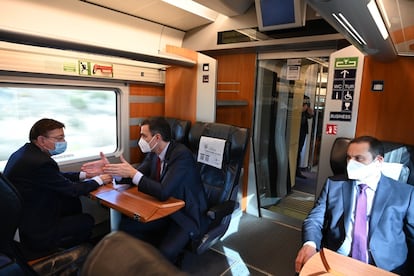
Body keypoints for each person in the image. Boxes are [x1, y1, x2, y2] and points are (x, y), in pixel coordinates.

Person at [295, 136, 414, 275]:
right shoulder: (333, 184)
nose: (351, 163)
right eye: (348, 158)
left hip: (384, 267)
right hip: (337, 259)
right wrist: (310, 244)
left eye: (359, 158)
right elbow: (315, 219)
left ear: (378, 161)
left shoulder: (405, 194)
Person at [99, 117, 209, 264]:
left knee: (165, 252)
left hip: (184, 214)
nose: (140, 140)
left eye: (144, 136)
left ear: (157, 138)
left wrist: (132, 173)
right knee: (125, 227)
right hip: (162, 209)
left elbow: (163, 192)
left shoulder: (181, 155)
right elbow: (139, 173)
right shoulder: (153, 153)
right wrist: (116, 173)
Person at [3, 118, 112, 256]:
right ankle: (72, 255)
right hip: (34, 230)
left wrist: (86, 175)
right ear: (42, 140)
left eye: (63, 137)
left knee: (71, 205)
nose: (63, 142)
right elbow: (72, 190)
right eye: (59, 138)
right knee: (86, 220)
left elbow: (55, 177)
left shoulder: (26, 153)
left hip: (24, 218)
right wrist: (100, 179)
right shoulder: (40, 162)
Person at [296, 95, 314, 179]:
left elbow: (308, 115)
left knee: (299, 150)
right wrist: (301, 110)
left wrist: (310, 113)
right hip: (293, 127)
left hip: (302, 128)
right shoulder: (295, 96)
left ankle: (297, 170)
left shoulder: (306, 98)